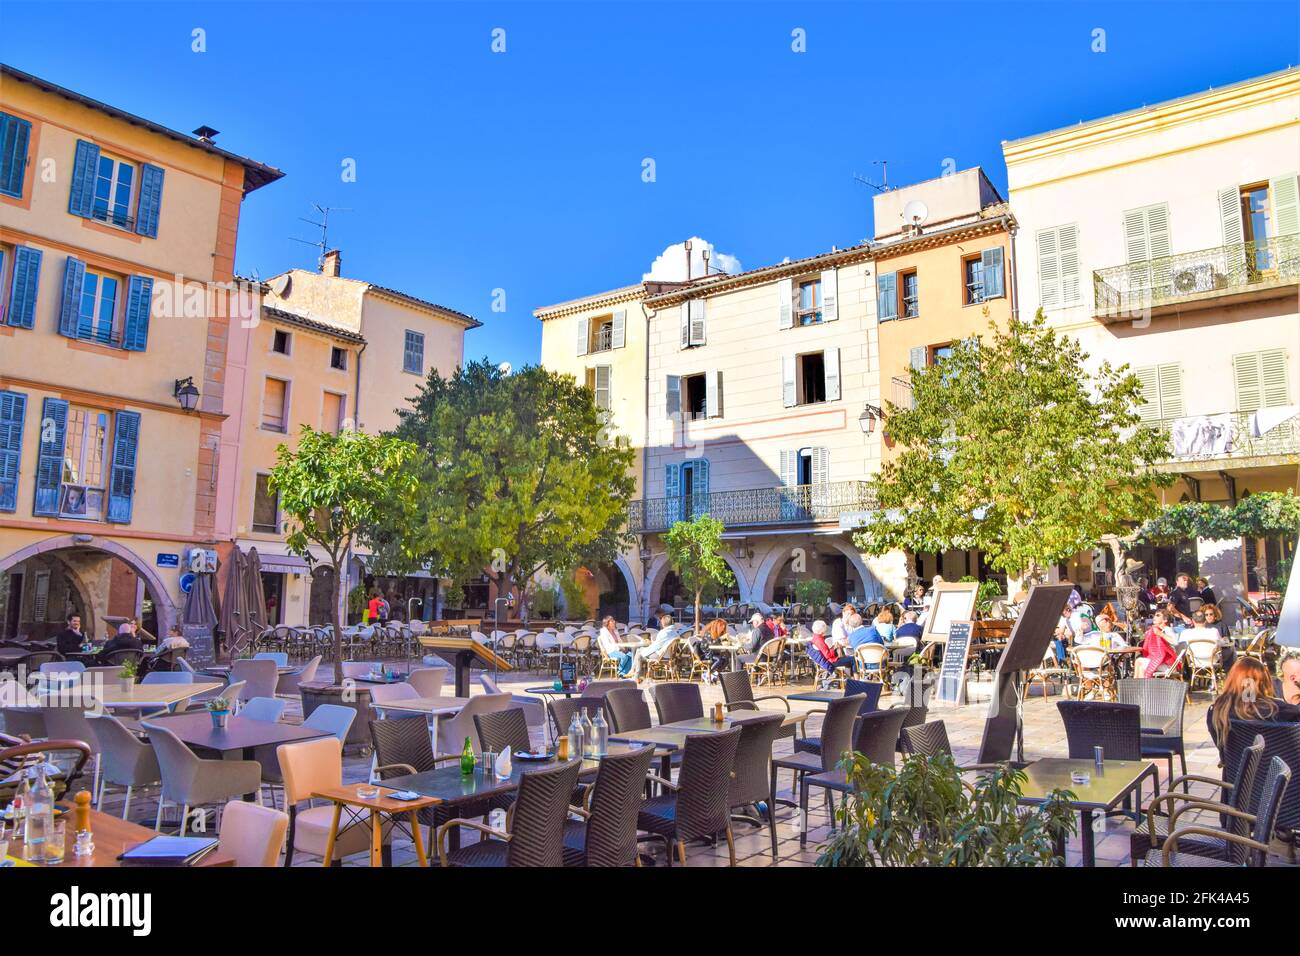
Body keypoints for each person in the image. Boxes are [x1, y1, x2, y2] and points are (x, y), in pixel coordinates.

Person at [1207, 658, 1300, 759]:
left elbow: (1222, 750)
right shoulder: (1280, 711)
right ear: (1265, 682)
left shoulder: (1216, 712)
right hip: (1276, 772)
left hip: (1237, 773)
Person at [631, 613, 678, 682]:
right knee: (640, 651)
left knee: (639, 652)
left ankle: (636, 675)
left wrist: (650, 644)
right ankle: (633, 671)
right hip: (669, 656)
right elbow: (662, 643)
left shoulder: (663, 632)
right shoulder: (675, 633)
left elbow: (656, 646)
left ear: (663, 623)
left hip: (661, 656)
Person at [1138, 610, 1178, 677]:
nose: (1154, 617)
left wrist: (1161, 634)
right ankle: (1137, 686)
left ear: (1165, 620)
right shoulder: (1156, 629)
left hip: (1169, 665)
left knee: (1139, 661)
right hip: (1161, 662)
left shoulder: (1167, 629)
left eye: (1158, 615)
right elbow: (1141, 637)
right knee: (1139, 662)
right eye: (1155, 615)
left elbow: (1175, 642)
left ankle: (1140, 686)